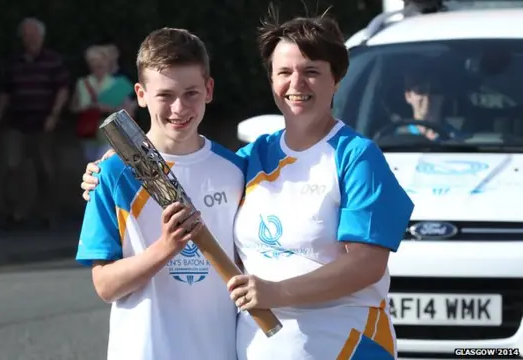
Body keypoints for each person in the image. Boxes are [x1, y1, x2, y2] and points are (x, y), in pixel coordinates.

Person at [81, 13, 414, 360]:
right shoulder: (251, 159)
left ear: (337, 79)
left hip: (345, 347)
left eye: (311, 71)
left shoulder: (357, 156)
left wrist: (276, 293)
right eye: (284, 72)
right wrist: (101, 172)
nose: (296, 84)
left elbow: (366, 266)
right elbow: (187, 163)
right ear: (271, 80)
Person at [75, 28, 245, 360]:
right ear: (140, 94)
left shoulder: (236, 170)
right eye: (165, 95)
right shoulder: (113, 174)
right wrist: (166, 248)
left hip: (218, 350)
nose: (179, 108)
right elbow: (105, 285)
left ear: (209, 90)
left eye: (191, 93)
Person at [0, 17, 70, 229]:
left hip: (42, 123)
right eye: (26, 35)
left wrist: (54, 115)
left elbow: (62, 90)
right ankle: (16, 213)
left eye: (34, 35)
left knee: (45, 169)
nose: (30, 39)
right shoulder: (13, 61)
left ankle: (47, 213)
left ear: (41, 37)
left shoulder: (53, 60)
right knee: (12, 166)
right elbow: (5, 93)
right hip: (15, 122)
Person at [71, 45, 135, 161]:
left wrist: (110, 108)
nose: (97, 64)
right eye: (93, 61)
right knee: (90, 163)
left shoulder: (118, 84)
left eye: (101, 60)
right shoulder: (82, 83)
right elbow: (73, 107)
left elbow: (129, 112)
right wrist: (87, 108)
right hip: (88, 132)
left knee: (103, 164)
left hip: (110, 133)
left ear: (107, 62)